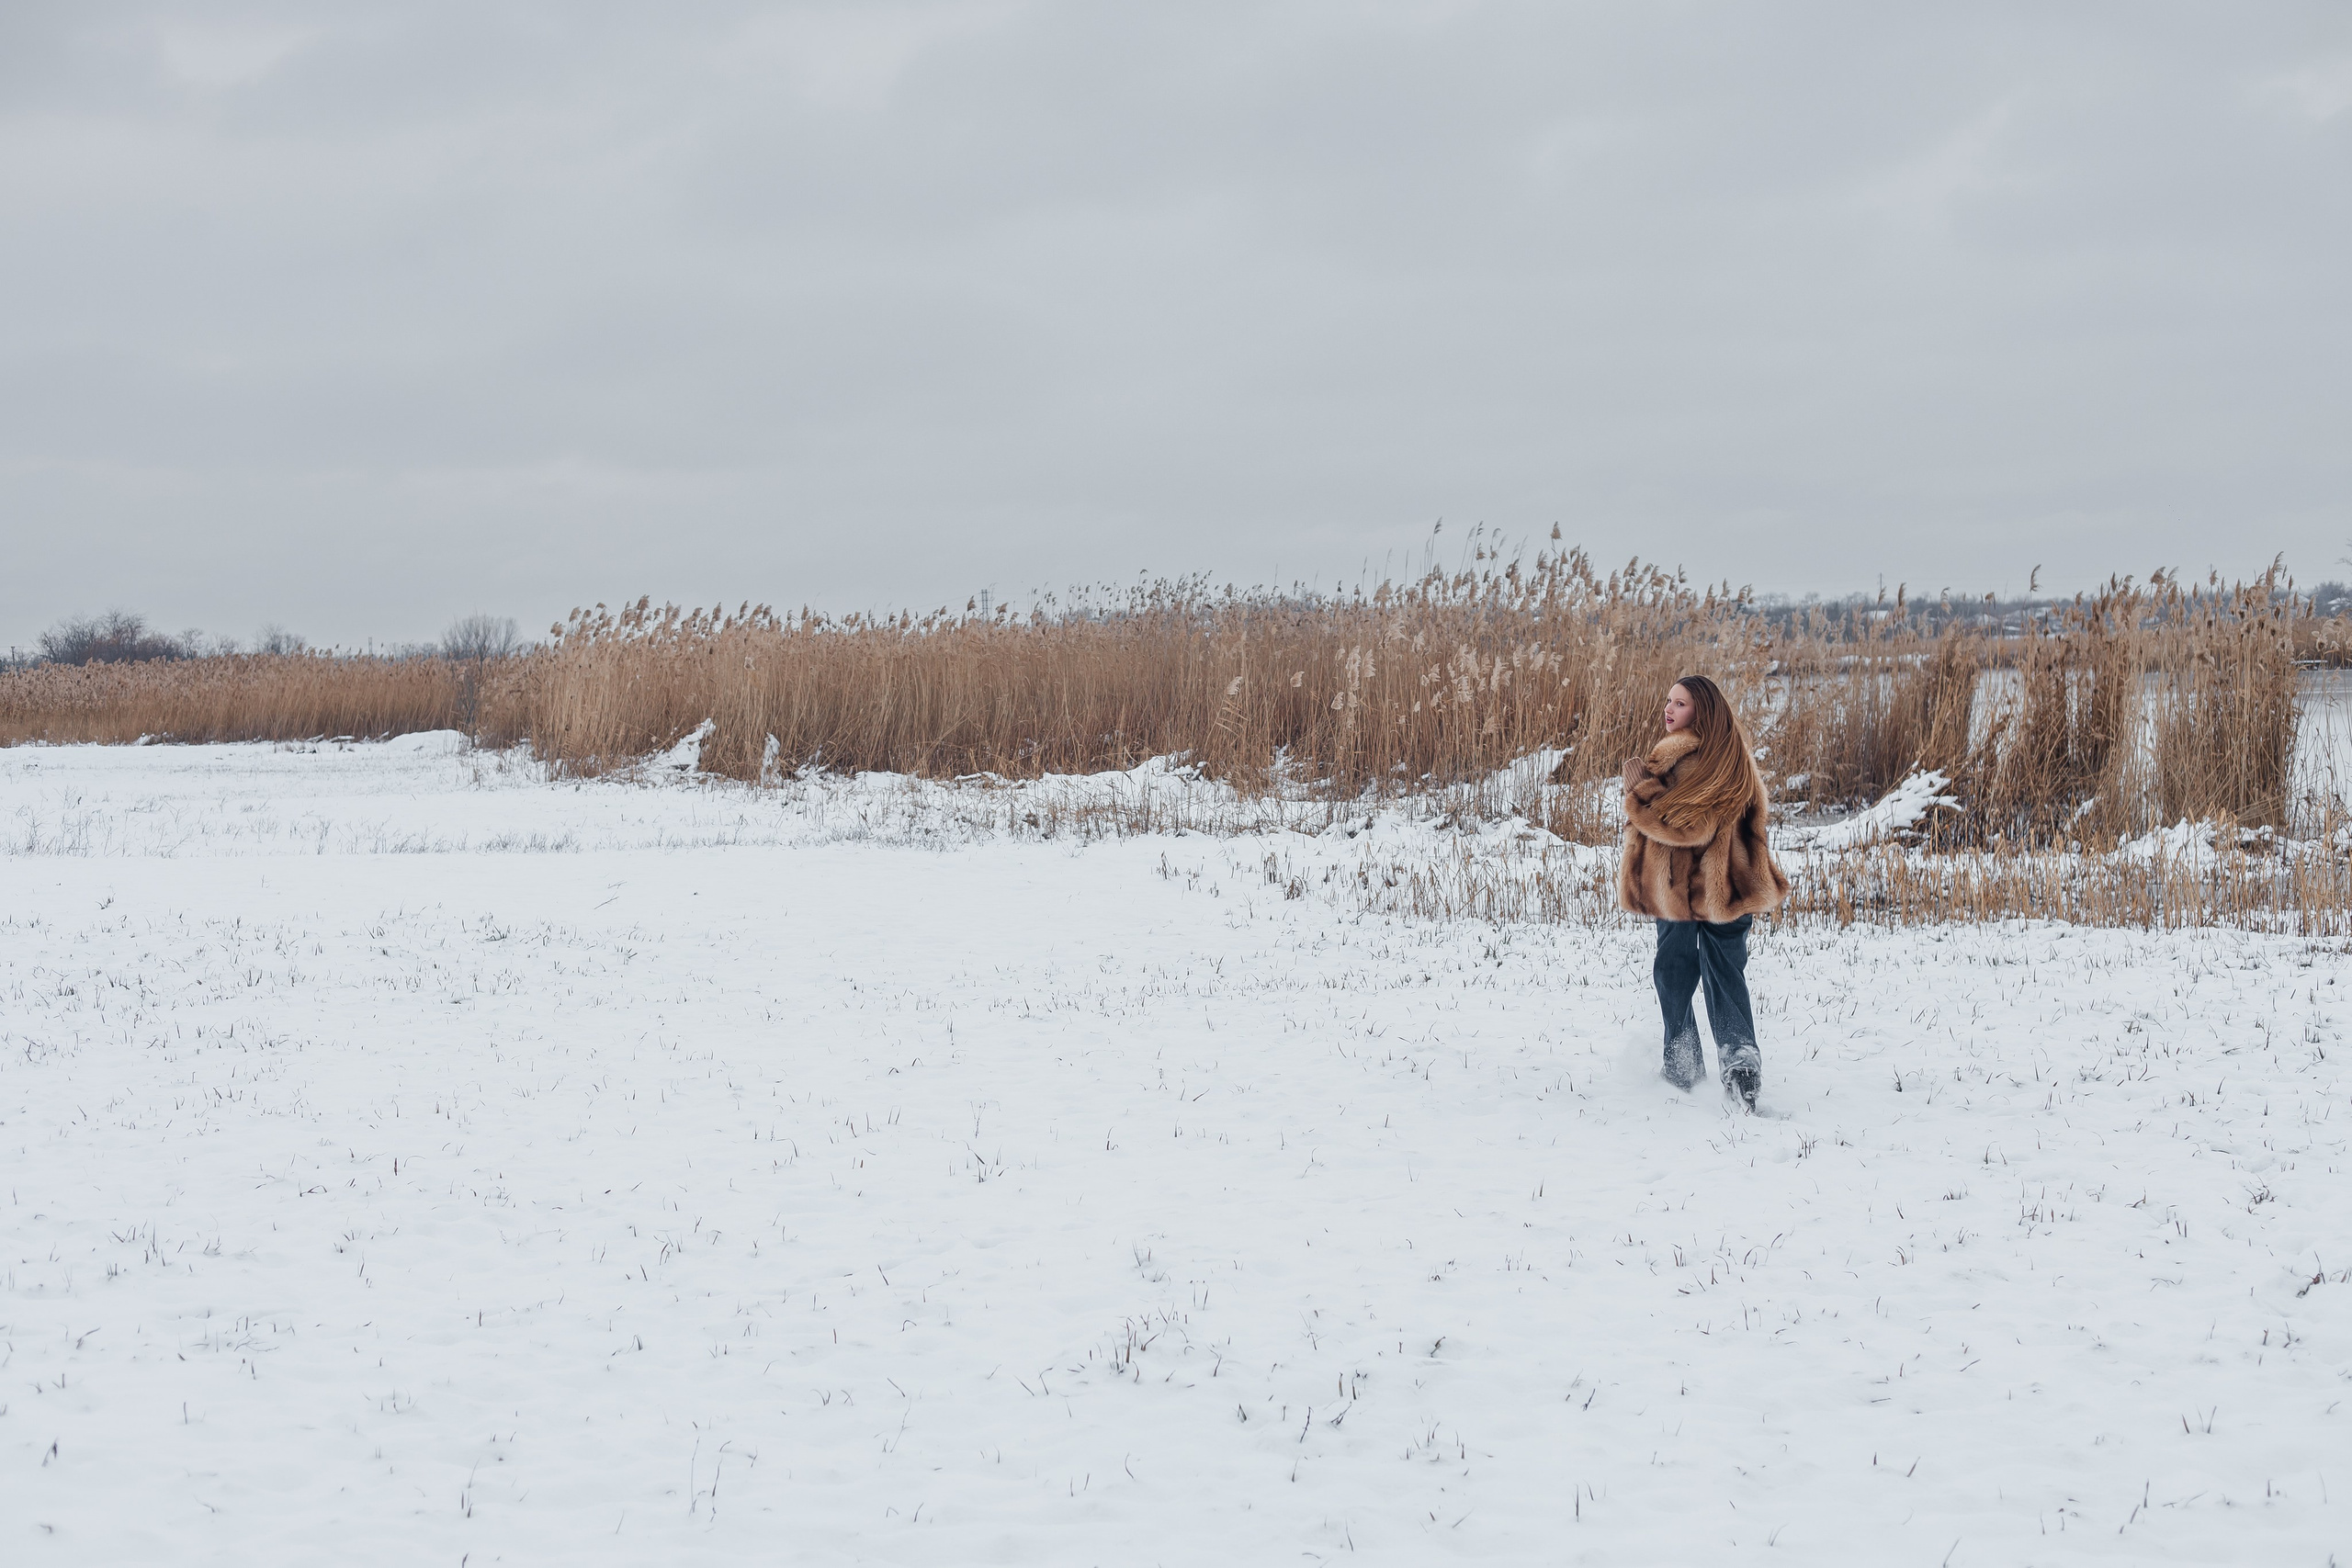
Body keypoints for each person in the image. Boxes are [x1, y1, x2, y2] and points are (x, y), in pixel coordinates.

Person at [1618, 675, 1791, 1109]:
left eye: (1681, 704)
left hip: (1682, 890)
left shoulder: (1684, 757)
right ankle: (1740, 1064)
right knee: (1725, 973)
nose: (1669, 710)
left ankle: (1683, 1062)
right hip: (1731, 889)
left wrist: (1641, 790)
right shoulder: (1734, 758)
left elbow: (1689, 827)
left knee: (1673, 971)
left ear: (1703, 712)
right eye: (1668, 700)